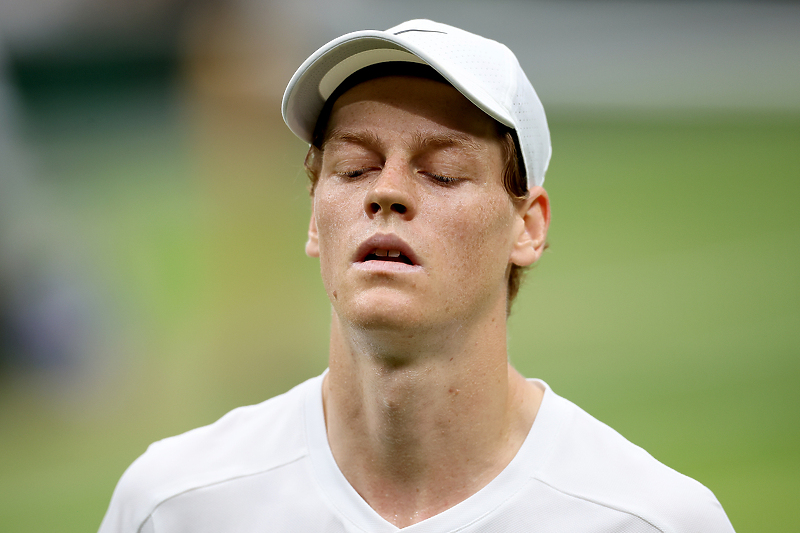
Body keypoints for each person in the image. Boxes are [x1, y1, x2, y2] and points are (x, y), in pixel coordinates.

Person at [99, 19, 735, 532]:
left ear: (528, 228)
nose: (388, 192)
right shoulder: (174, 505)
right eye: (353, 168)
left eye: (442, 173)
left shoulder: (651, 519)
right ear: (316, 220)